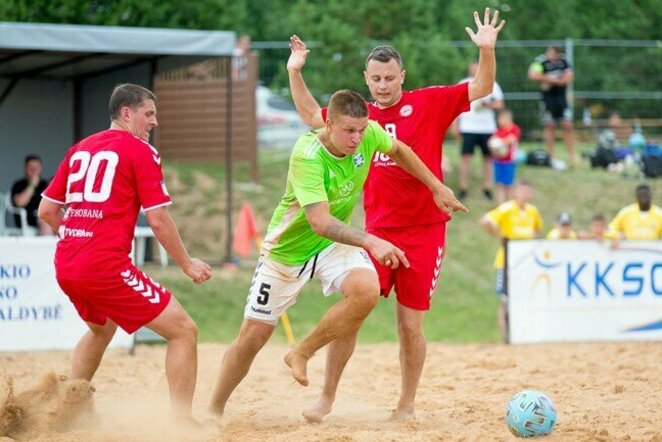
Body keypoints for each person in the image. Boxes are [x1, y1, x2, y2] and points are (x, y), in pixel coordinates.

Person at [286, 8, 504, 421]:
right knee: (354, 310)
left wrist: (486, 50)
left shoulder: (430, 102)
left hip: (426, 232)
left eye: (390, 78)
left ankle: (406, 405)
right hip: (378, 231)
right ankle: (326, 399)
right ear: (367, 79)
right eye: (376, 79)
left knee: (409, 326)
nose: (383, 86)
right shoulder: (358, 119)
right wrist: (296, 71)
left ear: (402, 75)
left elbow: (483, 85)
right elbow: (310, 112)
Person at [208, 90, 466, 418]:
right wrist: (371, 241)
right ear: (329, 124)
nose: (357, 138)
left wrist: (436, 186)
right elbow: (319, 222)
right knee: (252, 338)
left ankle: (302, 352)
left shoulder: (368, 132)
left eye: (361, 130)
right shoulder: (307, 154)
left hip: (332, 246)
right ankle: (215, 407)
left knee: (366, 291)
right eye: (349, 131)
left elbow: (400, 150)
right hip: (289, 250)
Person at [38, 83, 212, 420]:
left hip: (67, 263)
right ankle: (181, 423)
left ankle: (66, 411)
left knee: (102, 329)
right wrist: (187, 264)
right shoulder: (140, 151)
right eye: (149, 114)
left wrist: (77, 234)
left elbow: (46, 210)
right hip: (103, 265)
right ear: (126, 113)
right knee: (183, 331)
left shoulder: (79, 149)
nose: (154, 122)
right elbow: (159, 220)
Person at [479, 181, 542, 342]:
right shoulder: (507, 208)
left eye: (527, 192)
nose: (524, 195)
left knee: (524, 296)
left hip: (525, 261)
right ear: (515, 193)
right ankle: (505, 336)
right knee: (505, 297)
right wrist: (500, 238)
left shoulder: (532, 211)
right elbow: (485, 221)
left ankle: (524, 332)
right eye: (522, 192)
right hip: (506, 261)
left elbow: (537, 230)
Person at [456, 62, 504, 201]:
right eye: (472, 69)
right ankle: (463, 188)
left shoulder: (492, 84)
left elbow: (500, 103)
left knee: (488, 158)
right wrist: (455, 125)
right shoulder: (464, 83)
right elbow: (456, 105)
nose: (474, 71)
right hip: (468, 128)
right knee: (465, 157)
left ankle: (487, 188)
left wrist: (485, 104)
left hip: (486, 128)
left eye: (477, 68)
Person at [528, 46, 576, 167]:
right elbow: (532, 75)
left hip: (562, 98)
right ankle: (551, 155)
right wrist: (555, 80)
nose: (551, 55)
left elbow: (569, 78)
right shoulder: (541, 61)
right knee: (549, 126)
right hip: (547, 99)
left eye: (554, 53)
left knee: (568, 125)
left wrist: (549, 81)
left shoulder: (563, 61)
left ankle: (572, 155)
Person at [11, 154, 51, 235]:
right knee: (44, 221)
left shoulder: (45, 184)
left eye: (36, 168)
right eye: (31, 168)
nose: (34, 170)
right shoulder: (18, 184)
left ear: (41, 169)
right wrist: (32, 185)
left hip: (43, 216)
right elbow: (19, 203)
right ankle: (44, 247)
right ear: (25, 169)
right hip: (26, 218)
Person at [491, 109, 521, 204]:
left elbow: (511, 139)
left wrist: (499, 143)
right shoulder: (498, 131)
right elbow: (491, 142)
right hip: (498, 162)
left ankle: (511, 204)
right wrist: (494, 145)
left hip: (509, 162)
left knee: (509, 184)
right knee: (499, 184)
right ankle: (501, 205)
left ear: (506, 119)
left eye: (499, 119)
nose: (498, 121)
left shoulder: (514, 129)